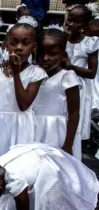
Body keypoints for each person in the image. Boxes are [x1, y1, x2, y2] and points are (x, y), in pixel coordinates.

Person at [0, 16, 47, 167]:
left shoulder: (36, 73)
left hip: (21, 128)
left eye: (25, 43)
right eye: (14, 43)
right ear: (6, 45)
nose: (19, 47)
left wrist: (16, 74)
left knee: (17, 167)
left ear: (34, 47)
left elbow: (23, 104)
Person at [34, 28, 81, 157]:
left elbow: (74, 113)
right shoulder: (33, 74)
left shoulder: (67, 77)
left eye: (52, 53)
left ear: (63, 55)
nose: (45, 58)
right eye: (41, 53)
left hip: (56, 132)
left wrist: (68, 144)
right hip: (33, 128)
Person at [64, 4, 98, 141]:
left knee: (73, 121)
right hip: (61, 84)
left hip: (79, 87)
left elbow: (92, 73)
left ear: (85, 24)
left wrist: (71, 67)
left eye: (76, 21)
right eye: (70, 19)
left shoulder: (90, 43)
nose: (71, 24)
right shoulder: (62, 39)